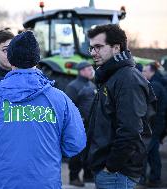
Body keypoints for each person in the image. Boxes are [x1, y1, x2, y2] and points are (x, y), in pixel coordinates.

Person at [0, 31, 86, 189]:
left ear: (11, 58)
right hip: (45, 183)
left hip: (1, 183)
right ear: (37, 58)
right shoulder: (59, 99)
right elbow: (75, 143)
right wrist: (49, 151)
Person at [85, 24, 151, 189]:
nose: (93, 52)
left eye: (98, 47)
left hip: (116, 173)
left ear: (116, 48)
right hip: (109, 171)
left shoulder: (127, 79)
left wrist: (111, 167)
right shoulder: (111, 76)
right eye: (91, 48)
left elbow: (130, 130)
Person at [65, 62, 96, 186]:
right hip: (79, 126)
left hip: (91, 125)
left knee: (90, 151)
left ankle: (88, 175)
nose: (91, 71)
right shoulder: (73, 86)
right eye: (89, 69)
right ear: (81, 71)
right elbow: (69, 106)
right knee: (77, 152)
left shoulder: (92, 84)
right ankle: (74, 177)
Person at [141, 64, 167, 187]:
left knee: (143, 151)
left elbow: (150, 107)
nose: (142, 73)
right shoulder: (157, 83)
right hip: (157, 124)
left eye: (144, 71)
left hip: (153, 125)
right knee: (153, 153)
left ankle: (140, 179)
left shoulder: (154, 85)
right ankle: (155, 178)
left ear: (151, 72)